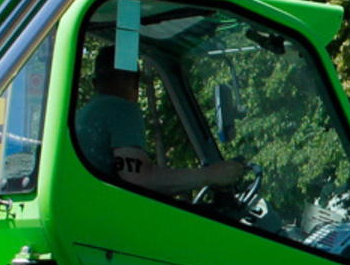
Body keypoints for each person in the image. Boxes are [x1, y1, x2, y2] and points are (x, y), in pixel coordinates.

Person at [74, 47, 247, 197]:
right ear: (136, 81)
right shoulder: (121, 109)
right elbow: (140, 179)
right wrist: (211, 174)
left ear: (94, 84)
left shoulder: (82, 115)